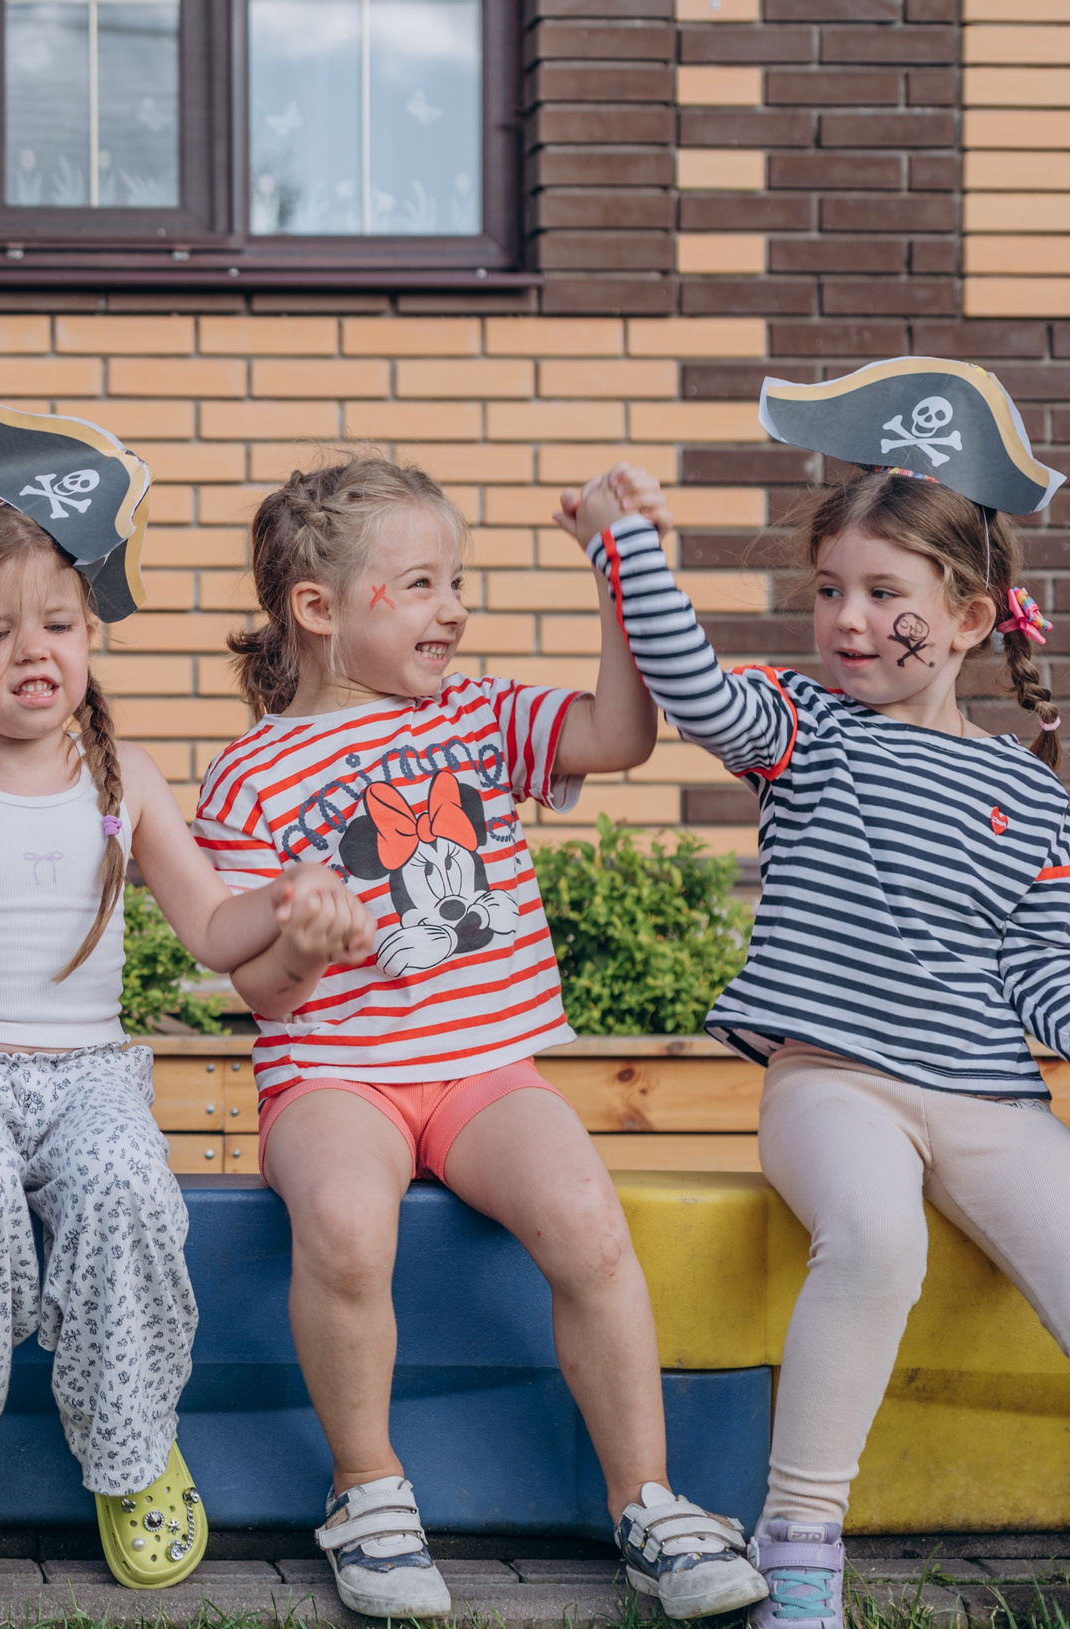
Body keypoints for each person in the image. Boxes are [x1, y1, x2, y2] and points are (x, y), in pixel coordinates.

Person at [0, 397, 374, 1599]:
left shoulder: (122, 775)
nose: (33, 648)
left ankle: (134, 1451)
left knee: (123, 1185)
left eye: (57, 621)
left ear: (91, 631)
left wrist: (294, 898)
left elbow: (211, 925)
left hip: (90, 1071)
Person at [195, 453, 769, 1621]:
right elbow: (259, 989)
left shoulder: (477, 713)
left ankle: (649, 1501)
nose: (452, 608)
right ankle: (369, 1492)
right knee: (348, 1225)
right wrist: (303, 941)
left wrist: (618, 573)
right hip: (333, 1075)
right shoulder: (249, 776)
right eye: (419, 584)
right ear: (318, 608)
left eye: (454, 581)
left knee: (589, 1225)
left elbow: (618, 736)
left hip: (479, 1067)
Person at [580, 358, 1070, 1629]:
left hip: (988, 1096)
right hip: (831, 1080)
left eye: (883, 594)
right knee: (874, 1237)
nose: (849, 619)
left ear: (969, 616)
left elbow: (1043, 969)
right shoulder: (807, 727)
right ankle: (798, 1548)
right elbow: (693, 691)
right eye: (829, 590)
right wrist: (630, 551)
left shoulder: (1034, 796)